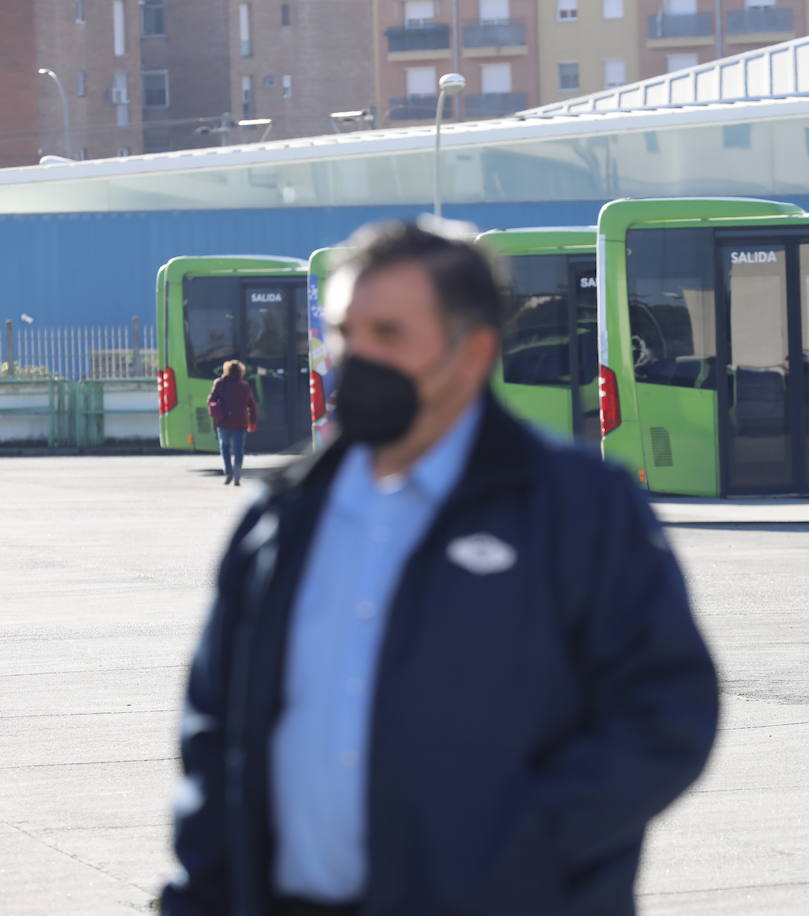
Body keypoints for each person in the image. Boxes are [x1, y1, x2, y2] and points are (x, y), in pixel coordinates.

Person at [161, 221, 720, 915]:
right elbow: (213, 732)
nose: (354, 357)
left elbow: (669, 711)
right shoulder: (282, 517)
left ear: (472, 351)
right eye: (343, 332)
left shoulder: (575, 506)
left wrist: (524, 846)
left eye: (388, 334)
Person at [207, 359, 258, 486]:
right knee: (238, 450)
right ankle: (237, 474)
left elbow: (211, 400)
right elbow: (252, 405)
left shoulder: (219, 383)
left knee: (224, 447)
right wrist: (253, 421)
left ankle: (228, 471)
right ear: (241, 371)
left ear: (226, 370)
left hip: (223, 421)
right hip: (240, 422)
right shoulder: (244, 385)